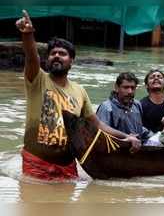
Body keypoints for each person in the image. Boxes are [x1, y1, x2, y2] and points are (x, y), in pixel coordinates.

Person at [16, 10, 140, 181]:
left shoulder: (80, 90)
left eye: (63, 53)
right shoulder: (37, 80)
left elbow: (96, 124)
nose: (57, 56)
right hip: (36, 164)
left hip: (68, 166)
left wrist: (125, 136)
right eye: (53, 53)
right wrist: (28, 34)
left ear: (71, 61)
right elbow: (31, 57)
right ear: (47, 60)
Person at [96, 72, 153, 142]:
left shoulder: (137, 105)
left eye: (133, 88)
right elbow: (101, 134)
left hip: (137, 147)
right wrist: (125, 140)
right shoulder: (107, 108)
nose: (130, 91)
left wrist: (153, 136)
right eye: (126, 87)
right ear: (116, 88)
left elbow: (139, 128)